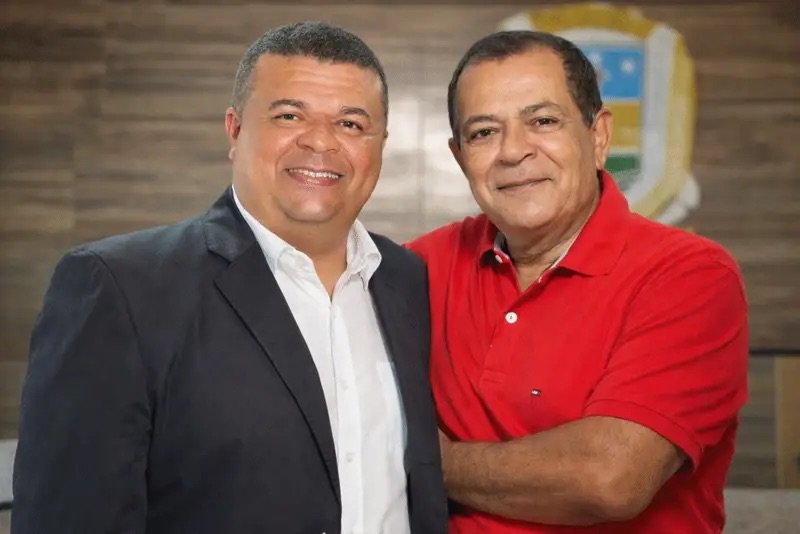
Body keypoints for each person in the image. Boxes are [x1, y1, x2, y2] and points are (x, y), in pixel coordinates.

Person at [13, 21, 447, 534]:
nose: (320, 141)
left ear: (380, 146)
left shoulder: (408, 280)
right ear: (235, 130)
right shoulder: (120, 287)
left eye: (351, 124)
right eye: (289, 116)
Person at [408, 30, 748, 533]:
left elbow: (608, 479)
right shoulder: (414, 268)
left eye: (543, 121)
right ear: (461, 158)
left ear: (598, 136)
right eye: (484, 132)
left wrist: (428, 461)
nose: (513, 151)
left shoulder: (690, 276)